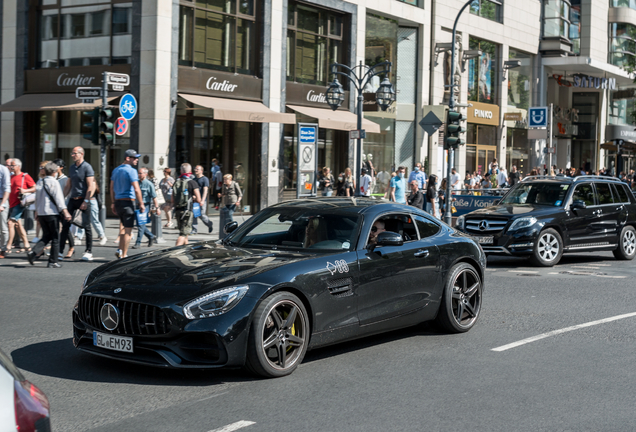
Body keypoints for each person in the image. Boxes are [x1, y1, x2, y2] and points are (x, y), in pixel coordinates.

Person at [27, 162, 72, 268]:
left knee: (46, 235)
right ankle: (53, 261)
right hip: (52, 213)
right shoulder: (54, 182)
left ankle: (33, 252)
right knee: (55, 237)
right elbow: (59, 198)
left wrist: (37, 211)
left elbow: (37, 199)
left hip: (42, 213)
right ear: (54, 172)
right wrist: (65, 211)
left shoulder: (40, 182)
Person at [59, 146, 95, 261]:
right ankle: (59, 251)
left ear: (81, 154)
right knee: (65, 225)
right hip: (72, 200)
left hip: (83, 199)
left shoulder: (87, 167)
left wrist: (86, 200)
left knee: (86, 226)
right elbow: (68, 185)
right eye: (72, 153)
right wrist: (61, 199)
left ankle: (88, 251)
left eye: (74, 153)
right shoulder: (72, 168)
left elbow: (91, 186)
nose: (72, 155)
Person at [110, 149, 144, 259]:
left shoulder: (116, 170)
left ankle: (119, 249)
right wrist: (141, 203)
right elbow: (137, 189)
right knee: (128, 231)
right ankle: (124, 255)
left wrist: (113, 202)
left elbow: (111, 187)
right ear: (128, 158)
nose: (137, 160)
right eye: (134, 158)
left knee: (123, 228)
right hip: (128, 202)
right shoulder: (132, 171)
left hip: (118, 202)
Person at [6, 159, 35, 254]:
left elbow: (34, 187)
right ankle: (26, 245)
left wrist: (25, 191)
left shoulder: (25, 176)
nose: (11, 167)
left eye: (13, 165)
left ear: (18, 166)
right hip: (11, 203)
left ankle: (8, 246)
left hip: (19, 204)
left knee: (10, 223)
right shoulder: (10, 176)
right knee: (17, 225)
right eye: (11, 165)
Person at [173, 163, 201, 246]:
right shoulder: (192, 182)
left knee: (185, 232)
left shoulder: (176, 182)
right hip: (187, 211)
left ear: (181, 171)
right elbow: (199, 199)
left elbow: (172, 199)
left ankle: (186, 249)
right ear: (190, 171)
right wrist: (193, 198)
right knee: (183, 234)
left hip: (178, 210)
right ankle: (174, 252)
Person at [132, 167, 160, 249]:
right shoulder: (136, 183)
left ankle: (138, 243)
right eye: (138, 173)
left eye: (141, 173)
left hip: (145, 205)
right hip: (137, 205)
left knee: (141, 225)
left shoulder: (149, 184)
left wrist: (157, 208)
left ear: (146, 174)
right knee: (139, 224)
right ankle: (151, 236)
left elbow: (154, 197)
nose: (139, 175)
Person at [192, 165, 214, 234]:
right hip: (195, 200)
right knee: (195, 215)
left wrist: (202, 200)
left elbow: (205, 190)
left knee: (201, 214)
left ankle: (209, 224)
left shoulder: (205, 179)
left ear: (201, 171)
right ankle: (194, 230)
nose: (195, 170)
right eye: (195, 169)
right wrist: (193, 196)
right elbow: (192, 190)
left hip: (202, 200)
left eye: (197, 169)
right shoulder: (194, 179)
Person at [0, 158, 10, 258]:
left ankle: (3, 249)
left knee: (3, 227)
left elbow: (7, 188)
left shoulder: (3, 169)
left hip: (2, 200)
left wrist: (2, 204)